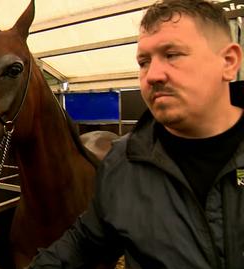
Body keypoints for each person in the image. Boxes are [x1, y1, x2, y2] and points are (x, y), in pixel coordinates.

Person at [28, 0, 243, 268]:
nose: (152, 75)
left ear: (228, 61)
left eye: (172, 54)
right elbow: (84, 244)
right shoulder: (122, 162)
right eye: (143, 62)